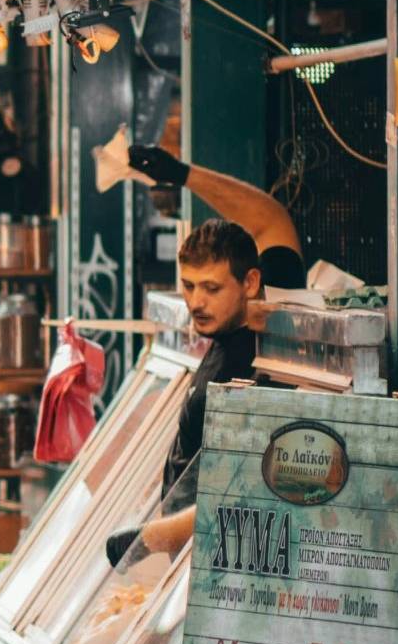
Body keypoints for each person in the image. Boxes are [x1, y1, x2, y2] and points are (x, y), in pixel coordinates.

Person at [105, 214, 304, 565]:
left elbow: (247, 491)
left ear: (250, 282)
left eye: (211, 288)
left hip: (217, 566)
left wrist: (151, 538)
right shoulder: (222, 337)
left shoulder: (250, 369)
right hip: (187, 563)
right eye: (188, 285)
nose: (196, 302)